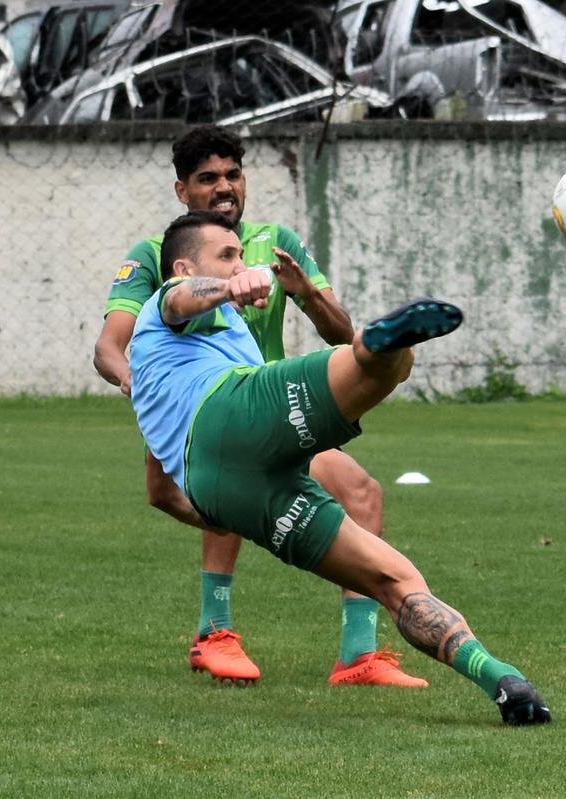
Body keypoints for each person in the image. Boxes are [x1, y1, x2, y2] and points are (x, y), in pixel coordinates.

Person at [129, 210, 551, 725]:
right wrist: (228, 288)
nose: (240, 262)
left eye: (240, 254)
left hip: (223, 485)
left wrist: (215, 513)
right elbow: (180, 298)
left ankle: (504, 681)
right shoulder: (169, 302)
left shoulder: (162, 365)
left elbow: (159, 493)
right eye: (227, 255)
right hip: (230, 413)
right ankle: (379, 347)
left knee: (393, 579)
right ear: (181, 266)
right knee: (385, 363)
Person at [93, 126, 424, 687]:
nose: (224, 187)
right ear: (182, 191)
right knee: (177, 495)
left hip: (271, 405)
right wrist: (136, 384)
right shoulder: (158, 254)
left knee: (361, 490)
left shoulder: (276, 243)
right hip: (190, 406)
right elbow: (109, 346)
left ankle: (358, 653)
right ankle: (215, 631)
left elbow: (342, 334)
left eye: (232, 175)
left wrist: (307, 292)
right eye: (207, 179)